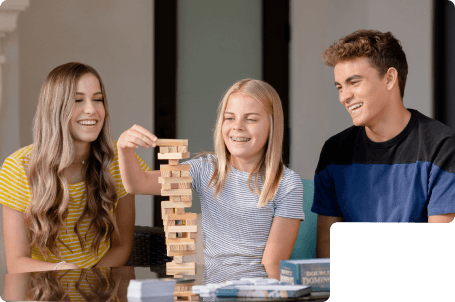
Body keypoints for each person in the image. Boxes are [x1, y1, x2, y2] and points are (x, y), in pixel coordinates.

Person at [117, 79, 304, 282]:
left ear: (272, 125)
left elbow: (272, 265)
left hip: (260, 293)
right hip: (214, 294)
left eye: (251, 119)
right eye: (229, 118)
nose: (238, 127)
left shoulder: (287, 183)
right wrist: (124, 149)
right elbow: (139, 183)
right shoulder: (206, 170)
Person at [312, 30, 455, 258]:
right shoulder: (334, 152)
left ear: (389, 78)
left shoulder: (442, 147)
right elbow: (327, 254)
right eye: (340, 87)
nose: (344, 97)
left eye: (354, 83)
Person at [0, 62, 150, 273]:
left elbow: (122, 246)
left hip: (102, 289)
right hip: (44, 291)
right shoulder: (17, 168)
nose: (91, 110)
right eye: (77, 100)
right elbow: (17, 263)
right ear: (54, 108)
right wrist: (67, 271)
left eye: (98, 100)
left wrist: (88, 281)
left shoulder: (118, 161)